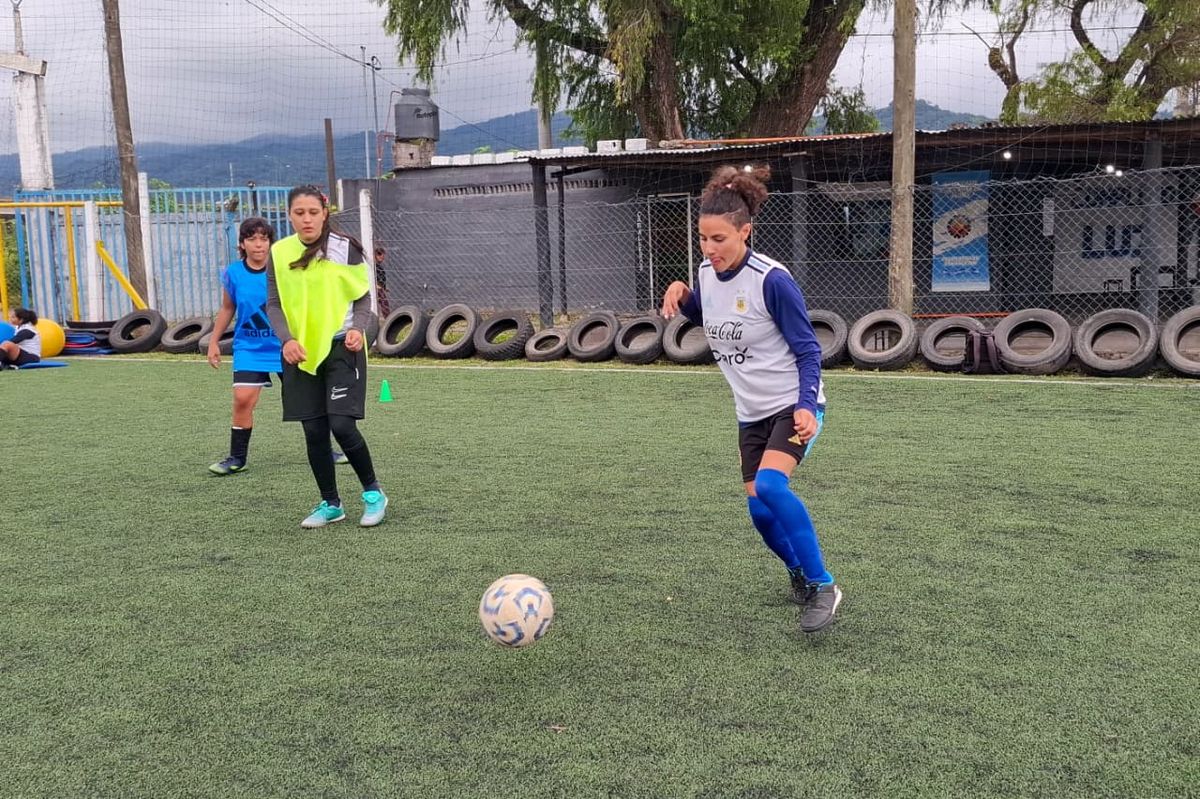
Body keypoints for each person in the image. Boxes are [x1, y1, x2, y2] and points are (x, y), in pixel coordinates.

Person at [661, 165, 841, 633]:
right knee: (760, 513)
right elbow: (709, 313)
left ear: (745, 231)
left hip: (793, 403)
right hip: (751, 413)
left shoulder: (772, 281)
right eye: (703, 238)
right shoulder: (705, 271)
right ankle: (798, 574)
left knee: (772, 488)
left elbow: (807, 349)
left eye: (719, 239)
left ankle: (824, 584)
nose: (709, 248)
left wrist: (806, 405)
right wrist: (684, 296)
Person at [266, 185, 388, 529]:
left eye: (313, 212)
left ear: (324, 213)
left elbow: (363, 298)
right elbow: (274, 305)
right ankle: (331, 503)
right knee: (314, 431)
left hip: (341, 349)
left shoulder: (343, 248)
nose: (306, 219)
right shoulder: (279, 253)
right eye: (299, 213)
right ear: (289, 215)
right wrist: (287, 340)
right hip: (300, 353)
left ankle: (374, 494)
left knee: (341, 425)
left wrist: (358, 329)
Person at [207, 217, 349, 475]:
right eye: (252, 239)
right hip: (249, 348)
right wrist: (213, 341)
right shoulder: (233, 273)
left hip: (287, 346)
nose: (258, 245)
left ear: (271, 244)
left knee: (308, 401)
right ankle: (237, 457)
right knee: (242, 400)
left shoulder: (286, 269)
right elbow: (228, 308)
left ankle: (327, 449)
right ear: (242, 244)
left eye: (264, 239)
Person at [373, 246, 391, 317]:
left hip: (380, 287)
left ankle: (386, 317)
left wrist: (384, 287)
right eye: (379, 254)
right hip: (377, 288)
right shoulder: (374, 267)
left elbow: (381, 278)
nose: (382, 257)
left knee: (384, 303)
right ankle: (387, 317)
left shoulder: (379, 267)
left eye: (383, 255)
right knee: (384, 303)